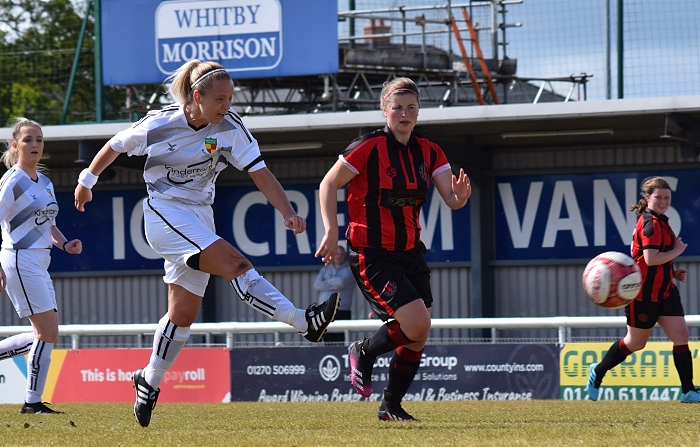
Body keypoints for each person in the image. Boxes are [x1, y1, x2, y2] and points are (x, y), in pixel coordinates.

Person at [73, 60, 340, 427]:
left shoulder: (230, 127)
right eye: (219, 99)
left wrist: (287, 211)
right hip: (164, 212)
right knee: (237, 265)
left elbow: (260, 172)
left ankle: (147, 380)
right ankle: (302, 321)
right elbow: (115, 145)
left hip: (200, 215)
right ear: (196, 97)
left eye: (230, 98)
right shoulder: (160, 123)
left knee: (183, 314)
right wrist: (86, 180)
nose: (226, 105)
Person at [315, 77, 471, 421]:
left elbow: (451, 200)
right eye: (397, 107)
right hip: (373, 254)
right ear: (384, 109)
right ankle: (364, 351)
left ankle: (390, 406)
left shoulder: (430, 151)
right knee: (417, 324)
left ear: (418, 112)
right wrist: (330, 231)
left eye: (411, 107)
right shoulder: (368, 147)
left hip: (412, 252)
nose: (405, 113)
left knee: (418, 334)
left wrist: (461, 197)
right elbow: (328, 183)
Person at [586, 176, 700, 403]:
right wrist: (677, 251)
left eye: (667, 197)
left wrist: (672, 272)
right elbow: (650, 258)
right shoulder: (651, 223)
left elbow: (654, 259)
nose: (663, 201)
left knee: (681, 336)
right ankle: (598, 372)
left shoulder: (661, 220)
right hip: (642, 294)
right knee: (636, 343)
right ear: (648, 197)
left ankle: (688, 391)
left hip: (665, 290)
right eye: (658, 197)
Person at [0, 117, 83, 414]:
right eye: (28, 140)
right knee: (47, 332)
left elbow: (49, 224)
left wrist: (64, 244)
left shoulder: (45, 183)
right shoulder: (12, 181)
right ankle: (32, 404)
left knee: (45, 333)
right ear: (15, 145)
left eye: (39, 139)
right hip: (19, 258)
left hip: (40, 260)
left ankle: (33, 403)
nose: (35, 145)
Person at [313, 245, 357, 342]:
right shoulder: (326, 268)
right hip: (325, 310)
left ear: (345, 255)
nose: (339, 257)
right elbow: (317, 284)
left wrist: (326, 281)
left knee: (341, 340)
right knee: (327, 340)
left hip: (341, 311)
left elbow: (341, 282)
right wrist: (332, 287)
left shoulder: (350, 269)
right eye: (337, 254)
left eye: (341, 254)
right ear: (333, 255)